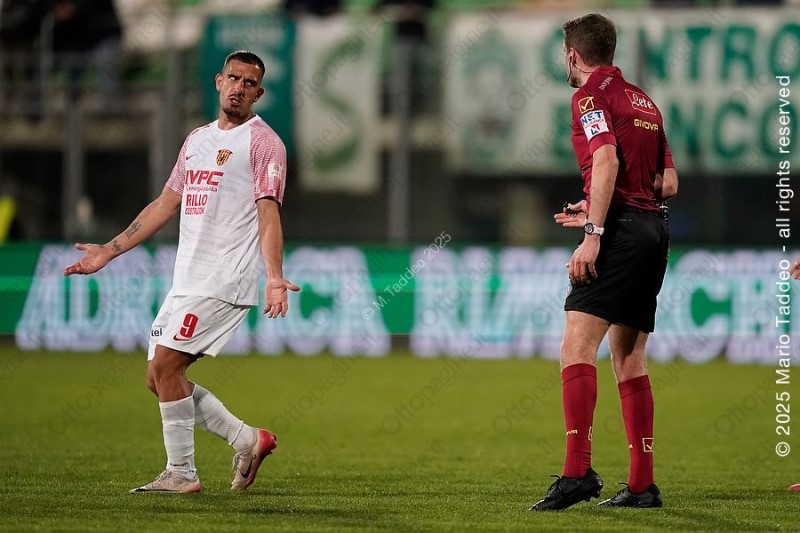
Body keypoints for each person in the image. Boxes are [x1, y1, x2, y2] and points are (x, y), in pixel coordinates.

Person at [64, 50, 300, 493]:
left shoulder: (264, 143)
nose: (239, 88)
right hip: (187, 279)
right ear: (218, 81)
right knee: (158, 378)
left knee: (167, 366)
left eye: (249, 83)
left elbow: (268, 211)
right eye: (233, 78)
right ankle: (248, 440)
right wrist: (109, 251)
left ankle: (182, 473)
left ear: (259, 93)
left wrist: (273, 276)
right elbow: (165, 203)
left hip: (223, 279)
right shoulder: (196, 140)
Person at [529, 14, 678, 511]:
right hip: (653, 230)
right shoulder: (645, 102)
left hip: (619, 233)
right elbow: (667, 184)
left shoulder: (590, 97)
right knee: (629, 357)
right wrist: (598, 202)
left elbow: (608, 160)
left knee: (576, 344)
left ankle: (577, 474)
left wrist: (593, 232)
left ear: (573, 54)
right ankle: (642, 485)